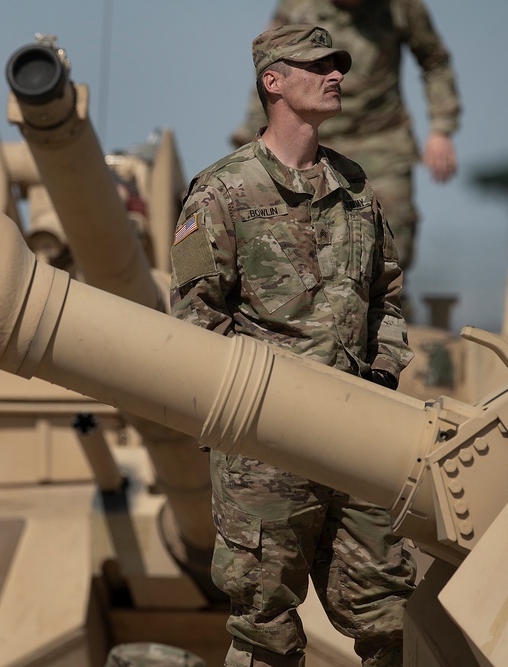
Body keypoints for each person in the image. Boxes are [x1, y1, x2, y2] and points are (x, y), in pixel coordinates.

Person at [170, 24, 416, 667]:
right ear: (272, 81)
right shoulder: (223, 190)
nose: (335, 74)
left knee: (392, 620)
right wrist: (257, 409)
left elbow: (386, 300)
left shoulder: (356, 189)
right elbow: (196, 319)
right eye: (317, 65)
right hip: (264, 445)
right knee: (264, 627)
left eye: (337, 64)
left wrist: (381, 380)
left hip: (356, 436)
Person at [230, 0, 461, 275]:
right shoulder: (297, 6)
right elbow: (274, 66)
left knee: (392, 243)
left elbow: (434, 60)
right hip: (313, 138)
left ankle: (386, 306)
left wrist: (441, 129)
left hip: (382, 140)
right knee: (305, 235)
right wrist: (252, 140)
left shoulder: (401, 7)